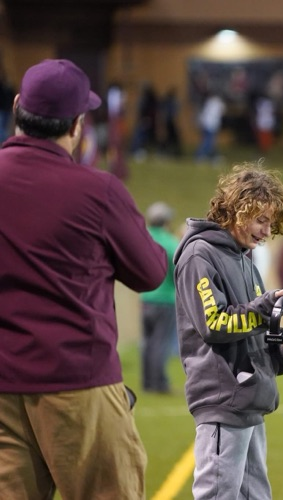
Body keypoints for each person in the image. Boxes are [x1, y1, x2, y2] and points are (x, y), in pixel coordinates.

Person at [0, 58, 168, 499]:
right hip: (78, 383)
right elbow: (151, 272)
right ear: (77, 125)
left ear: (18, 107)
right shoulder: (98, 191)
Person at [174, 162, 283, 500]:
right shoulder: (199, 255)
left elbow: (251, 330)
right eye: (261, 220)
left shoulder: (243, 258)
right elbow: (215, 323)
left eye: (271, 224)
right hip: (223, 401)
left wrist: (281, 355)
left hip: (249, 401)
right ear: (237, 210)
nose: (267, 232)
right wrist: (267, 309)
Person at [141, 201, 181, 394]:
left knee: (147, 342)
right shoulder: (170, 242)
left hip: (145, 297)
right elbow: (177, 272)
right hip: (165, 299)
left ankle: (147, 382)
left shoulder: (142, 238)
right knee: (160, 342)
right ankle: (159, 383)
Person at [195, 93, 226, 165]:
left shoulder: (209, 101)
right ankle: (200, 156)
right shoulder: (219, 103)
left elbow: (204, 113)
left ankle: (207, 156)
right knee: (208, 142)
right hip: (212, 125)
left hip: (205, 124)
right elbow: (222, 112)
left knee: (207, 141)